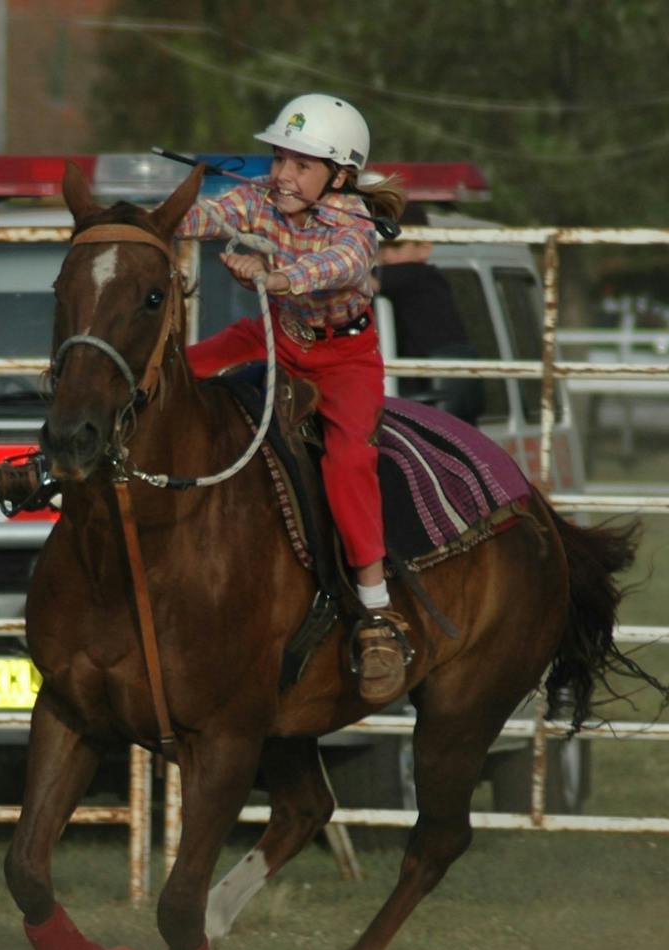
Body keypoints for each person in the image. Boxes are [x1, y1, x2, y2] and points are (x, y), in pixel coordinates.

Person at [177, 94, 411, 704]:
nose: (283, 174)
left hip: (345, 359)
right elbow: (207, 215)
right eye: (279, 157)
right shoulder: (259, 197)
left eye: (302, 165)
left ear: (340, 177)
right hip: (274, 331)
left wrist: (271, 274)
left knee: (350, 459)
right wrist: (149, 222)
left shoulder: (355, 225)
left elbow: (335, 265)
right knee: (175, 374)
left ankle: (376, 606)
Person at [375, 234, 484, 423]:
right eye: (379, 247)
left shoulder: (421, 277)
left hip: (427, 419)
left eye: (396, 246)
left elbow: (360, 281)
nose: (386, 256)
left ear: (424, 248)